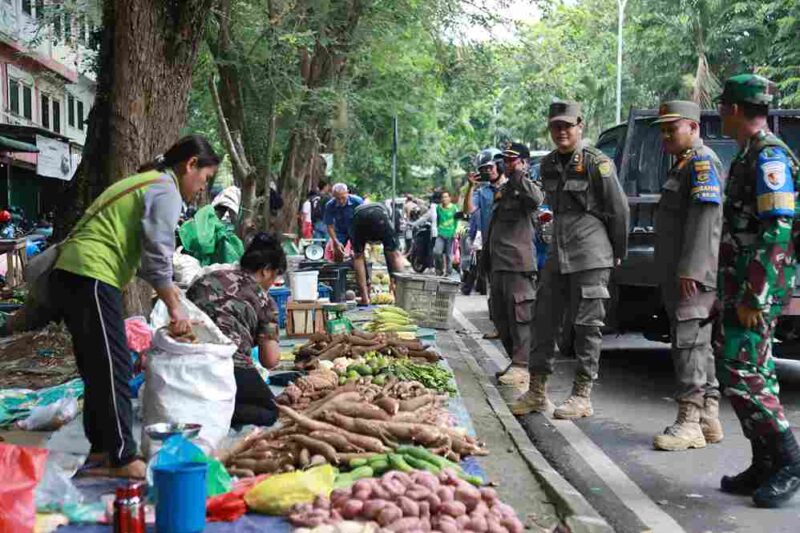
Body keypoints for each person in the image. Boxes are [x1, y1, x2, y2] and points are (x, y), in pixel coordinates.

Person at [51, 135, 220, 478]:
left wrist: (171, 294)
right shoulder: (166, 189)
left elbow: (144, 259)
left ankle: (100, 450)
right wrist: (174, 305)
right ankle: (122, 457)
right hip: (92, 273)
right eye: (204, 179)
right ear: (190, 165)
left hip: (75, 273)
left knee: (98, 366)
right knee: (114, 366)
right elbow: (158, 252)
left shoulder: (147, 182)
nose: (201, 189)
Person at [511, 101, 629, 419]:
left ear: (580, 126)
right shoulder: (548, 164)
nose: (562, 131)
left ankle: (581, 395)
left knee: (587, 326)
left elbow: (618, 209)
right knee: (544, 321)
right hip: (557, 255)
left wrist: (618, 252)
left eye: (567, 125)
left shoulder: (597, 163)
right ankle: (537, 391)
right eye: (556, 126)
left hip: (591, 254)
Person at [714, 74, 800, 508]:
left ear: (732, 110)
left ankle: (788, 459)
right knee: (747, 371)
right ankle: (764, 461)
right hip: (739, 282)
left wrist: (755, 296)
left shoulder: (770, 158)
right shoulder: (750, 155)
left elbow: (778, 231)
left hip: (755, 289)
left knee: (744, 372)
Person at [650, 101, 725, 451]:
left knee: (688, 344)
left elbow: (706, 219)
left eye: (673, 128)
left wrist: (692, 269)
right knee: (699, 344)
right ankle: (709, 417)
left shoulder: (701, 162)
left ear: (693, 128)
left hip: (692, 274)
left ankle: (690, 421)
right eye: (662, 129)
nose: (666, 134)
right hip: (681, 271)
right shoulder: (681, 164)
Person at [187, 232, 285, 427]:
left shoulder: (206, 279)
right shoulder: (266, 302)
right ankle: (217, 412)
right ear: (266, 270)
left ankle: (198, 407)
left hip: (185, 361)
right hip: (228, 363)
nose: (272, 284)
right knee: (272, 412)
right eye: (274, 277)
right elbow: (270, 360)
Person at [481, 142, 544, 391]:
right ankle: (516, 363)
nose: (506, 164)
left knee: (520, 317)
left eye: (512, 160)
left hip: (518, 264)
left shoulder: (527, 187)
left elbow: (536, 200)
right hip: (498, 263)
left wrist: (518, 173)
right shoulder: (504, 190)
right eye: (504, 160)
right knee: (500, 316)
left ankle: (522, 365)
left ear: (524, 163)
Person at [465, 148, 507, 338]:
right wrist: (470, 187)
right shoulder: (482, 192)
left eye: (490, 167)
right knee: (494, 290)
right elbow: (468, 210)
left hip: (511, 246)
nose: (487, 171)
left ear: (499, 165)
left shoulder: (513, 186)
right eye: (484, 169)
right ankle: (499, 327)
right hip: (491, 247)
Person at [349, 202, 405, 304]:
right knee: (394, 254)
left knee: (358, 257)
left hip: (359, 217)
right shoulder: (386, 214)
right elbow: (392, 259)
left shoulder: (357, 209)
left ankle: (365, 298)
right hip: (379, 215)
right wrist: (393, 281)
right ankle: (400, 296)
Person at [324, 183, 364, 262]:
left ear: (347, 193)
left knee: (358, 253)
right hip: (340, 230)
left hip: (356, 229)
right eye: (337, 198)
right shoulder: (330, 205)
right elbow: (329, 226)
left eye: (343, 197)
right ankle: (339, 271)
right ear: (333, 196)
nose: (341, 201)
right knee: (337, 251)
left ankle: (359, 271)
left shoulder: (357, 201)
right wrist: (335, 242)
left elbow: (364, 220)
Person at [433, 191, 458, 276]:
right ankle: (439, 270)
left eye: (446, 197)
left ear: (450, 198)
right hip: (440, 234)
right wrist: (437, 228)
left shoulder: (454, 208)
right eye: (442, 197)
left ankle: (449, 272)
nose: (444, 199)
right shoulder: (438, 208)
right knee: (437, 252)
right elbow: (438, 220)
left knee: (448, 255)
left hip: (451, 234)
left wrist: (456, 232)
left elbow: (457, 221)